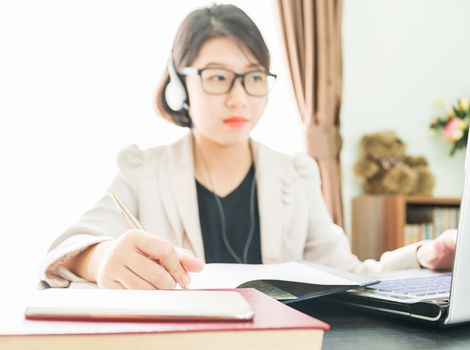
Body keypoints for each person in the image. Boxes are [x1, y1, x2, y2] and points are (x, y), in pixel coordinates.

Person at [40, 4, 456, 290]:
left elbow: (346, 274)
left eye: (254, 78)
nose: (240, 98)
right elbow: (67, 248)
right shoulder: (142, 169)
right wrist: (100, 257)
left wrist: (423, 255)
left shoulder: (296, 173)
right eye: (218, 77)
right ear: (182, 83)